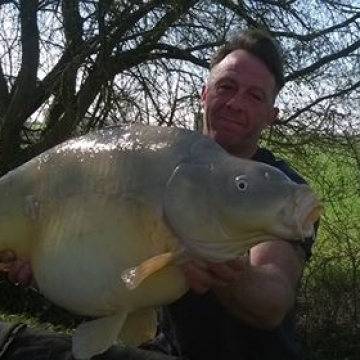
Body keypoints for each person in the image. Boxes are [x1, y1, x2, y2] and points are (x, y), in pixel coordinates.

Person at [0, 28, 318, 360]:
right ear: (204, 93)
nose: (236, 103)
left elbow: (272, 299)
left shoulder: (276, 188)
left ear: (271, 115)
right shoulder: (160, 162)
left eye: (255, 96)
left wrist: (232, 275)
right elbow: (103, 267)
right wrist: (49, 269)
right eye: (227, 87)